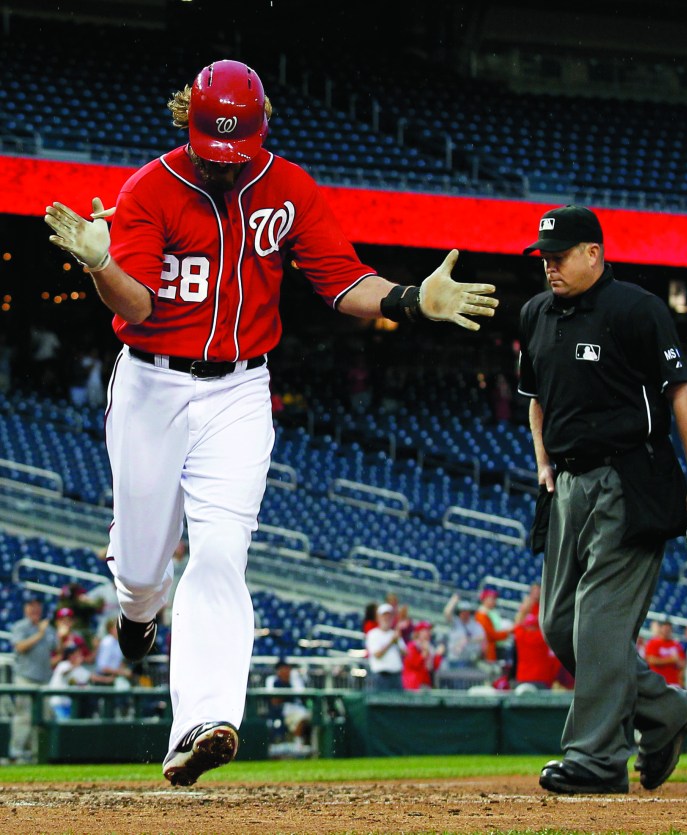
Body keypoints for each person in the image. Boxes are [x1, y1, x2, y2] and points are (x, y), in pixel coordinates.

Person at [43, 59, 497, 787]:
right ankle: (137, 609)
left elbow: (341, 280)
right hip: (152, 387)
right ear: (186, 118)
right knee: (139, 569)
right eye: (210, 150)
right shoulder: (149, 190)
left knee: (222, 553)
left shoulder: (288, 187)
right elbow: (135, 307)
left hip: (241, 393)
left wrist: (410, 300)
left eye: (236, 155)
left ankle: (204, 719)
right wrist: (100, 266)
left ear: (262, 132)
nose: (222, 167)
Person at [518, 204, 687, 795]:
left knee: (599, 617)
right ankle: (662, 711)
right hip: (567, 485)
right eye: (544, 258)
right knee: (559, 624)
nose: (550, 266)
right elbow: (536, 397)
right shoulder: (535, 313)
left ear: (593, 254)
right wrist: (542, 461)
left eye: (559, 256)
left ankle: (597, 759)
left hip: (630, 477)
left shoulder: (636, 309)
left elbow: (681, 393)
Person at [8, 597, 57, 763]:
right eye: (31, 606)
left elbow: (57, 650)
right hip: (25, 679)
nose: (35, 610)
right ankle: (16, 753)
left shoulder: (48, 628)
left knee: (44, 718)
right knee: (24, 716)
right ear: (25, 609)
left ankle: (37, 754)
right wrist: (40, 634)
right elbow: (20, 647)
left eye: (37, 606)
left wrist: (62, 635)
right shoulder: (21, 626)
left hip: (44, 680)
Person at [264, 659, 312, 751]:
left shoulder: (294, 679)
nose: (286, 671)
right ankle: (296, 743)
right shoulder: (273, 680)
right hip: (282, 710)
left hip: (297, 707)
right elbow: (274, 700)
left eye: (287, 668)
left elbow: (301, 693)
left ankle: (301, 743)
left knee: (307, 717)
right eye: (283, 668)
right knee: (301, 717)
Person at [364, 603, 406, 691]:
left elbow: (405, 653)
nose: (387, 618)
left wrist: (397, 641)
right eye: (384, 615)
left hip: (396, 676)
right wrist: (391, 642)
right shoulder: (373, 634)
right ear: (378, 617)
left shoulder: (394, 634)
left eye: (389, 616)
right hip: (381, 677)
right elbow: (377, 654)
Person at [442, 593, 487, 670]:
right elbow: (446, 613)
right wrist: (454, 600)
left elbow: (482, 637)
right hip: (453, 659)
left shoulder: (475, 625)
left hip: (468, 660)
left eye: (466, 611)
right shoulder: (455, 622)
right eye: (462, 611)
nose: (464, 614)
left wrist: (469, 640)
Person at [402, 621, 443, 690]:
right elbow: (415, 664)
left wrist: (438, 655)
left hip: (425, 684)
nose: (428, 633)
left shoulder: (430, 647)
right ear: (418, 633)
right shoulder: (412, 646)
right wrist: (425, 653)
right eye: (425, 630)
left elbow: (434, 667)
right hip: (412, 684)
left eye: (429, 630)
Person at [474, 588, 512, 663]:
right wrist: (507, 633)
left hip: (497, 645)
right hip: (488, 648)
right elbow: (490, 635)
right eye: (491, 599)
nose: (494, 601)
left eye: (495, 599)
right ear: (484, 599)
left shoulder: (493, 612)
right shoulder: (482, 615)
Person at [644, 620, 686, 687]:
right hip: (657, 681)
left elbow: (682, 663)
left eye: (668, 629)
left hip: (673, 682)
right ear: (660, 629)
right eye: (665, 628)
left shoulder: (676, 644)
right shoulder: (653, 643)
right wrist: (671, 660)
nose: (667, 631)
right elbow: (651, 660)